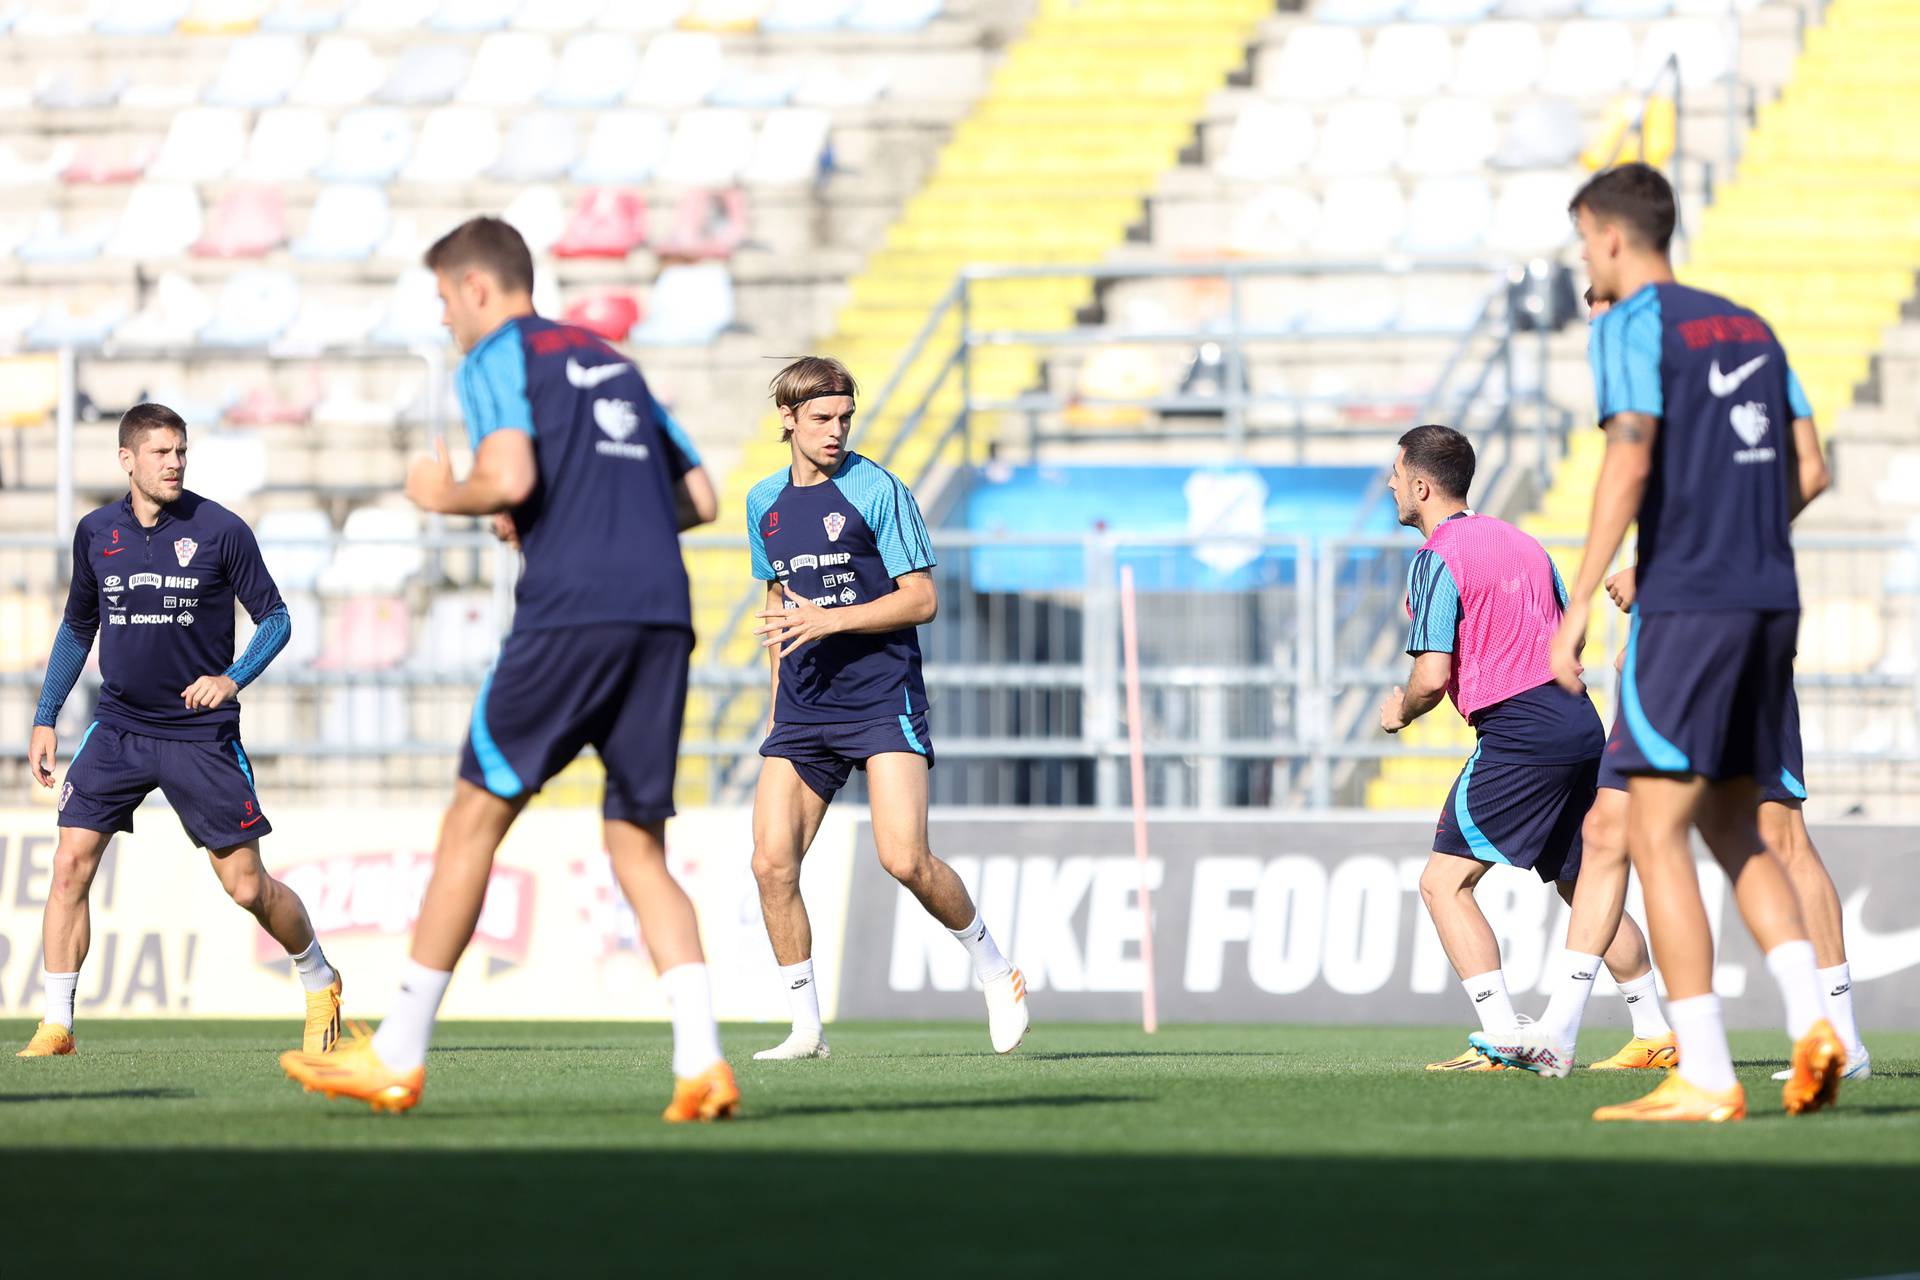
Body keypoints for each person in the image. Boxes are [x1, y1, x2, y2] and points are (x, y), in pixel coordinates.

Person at [279, 217, 733, 1120]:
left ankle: (398, 1054)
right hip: (661, 613)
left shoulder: (494, 356)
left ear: (478, 288)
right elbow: (701, 497)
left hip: (572, 614)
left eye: (445, 300)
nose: (446, 319)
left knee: (472, 819)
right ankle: (702, 1063)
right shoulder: (615, 361)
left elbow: (512, 474)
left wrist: (442, 491)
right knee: (636, 843)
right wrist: (575, 517)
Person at [1545, 163, 1842, 1122]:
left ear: (1611, 236)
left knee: (1651, 827)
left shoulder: (1630, 325)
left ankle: (1707, 1071)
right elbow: (1810, 466)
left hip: (1689, 607)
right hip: (1769, 598)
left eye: (1585, 241)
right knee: (1728, 822)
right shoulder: (1751, 324)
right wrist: (1747, 534)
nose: (1587, 258)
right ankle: (1815, 1022)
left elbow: (1630, 452)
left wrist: (1581, 596)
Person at [21, 402, 341, 1058]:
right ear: (127, 460)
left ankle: (319, 976)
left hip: (200, 734)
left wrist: (231, 678)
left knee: (247, 886)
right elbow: (78, 625)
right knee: (68, 866)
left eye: (181, 452)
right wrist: (47, 715)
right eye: (161, 452)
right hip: (118, 729)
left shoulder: (220, 530)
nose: (174, 463)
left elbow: (276, 619)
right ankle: (58, 1025)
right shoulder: (95, 534)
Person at [745, 356, 1027, 1060]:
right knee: (770, 865)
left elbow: (922, 599)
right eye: (821, 419)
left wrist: (832, 622)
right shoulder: (762, 504)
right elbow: (779, 603)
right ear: (788, 419)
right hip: (804, 707)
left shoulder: (878, 491)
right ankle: (806, 1029)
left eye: (844, 417)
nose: (836, 430)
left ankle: (996, 969)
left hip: (879, 697)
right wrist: (778, 704)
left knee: (904, 859)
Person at [1378, 424, 1662, 1075]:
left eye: (1395, 474)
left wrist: (1401, 712)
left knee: (1443, 883)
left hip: (1522, 729)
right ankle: (1653, 1029)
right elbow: (1572, 634)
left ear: (1421, 486)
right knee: (1582, 884)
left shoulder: (1439, 557)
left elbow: (1430, 676)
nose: (1391, 484)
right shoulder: (1522, 542)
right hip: (1577, 722)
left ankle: (1506, 1034)